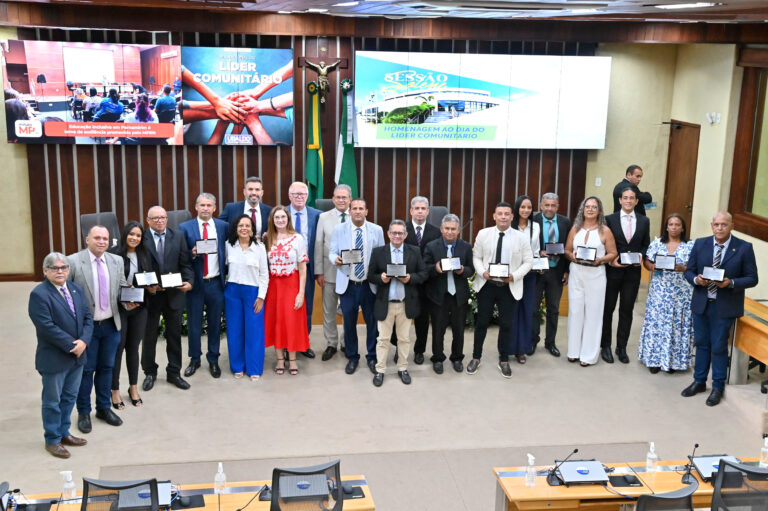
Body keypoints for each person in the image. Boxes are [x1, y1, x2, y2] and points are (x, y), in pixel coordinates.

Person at [682, 211, 758, 406]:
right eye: (716, 224)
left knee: (718, 346)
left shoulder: (743, 248)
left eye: (724, 224)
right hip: (702, 303)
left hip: (724, 307)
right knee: (701, 343)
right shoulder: (700, 244)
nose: (720, 228)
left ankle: (717, 386)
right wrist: (696, 280)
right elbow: (689, 271)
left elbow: (752, 278)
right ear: (711, 225)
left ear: (731, 226)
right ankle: (699, 381)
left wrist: (731, 282)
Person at [67, 226, 130, 433]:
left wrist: (130, 299)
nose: (102, 241)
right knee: (86, 371)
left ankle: (103, 408)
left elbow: (122, 287)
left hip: (111, 325)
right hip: (87, 329)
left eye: (105, 238)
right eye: (97, 238)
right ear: (87, 239)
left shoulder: (116, 261)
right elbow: (66, 294)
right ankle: (83, 412)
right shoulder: (74, 261)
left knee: (107, 368)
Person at [29, 252, 92, 459]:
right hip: (55, 358)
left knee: (69, 397)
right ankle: (52, 439)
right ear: (45, 271)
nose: (60, 271)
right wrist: (71, 345)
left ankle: (64, 433)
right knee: (52, 401)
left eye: (64, 267)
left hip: (77, 355)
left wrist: (83, 341)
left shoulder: (75, 289)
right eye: (55, 268)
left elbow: (87, 318)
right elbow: (46, 326)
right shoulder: (39, 294)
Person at [469, 202, 533, 378]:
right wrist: (482, 272)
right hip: (487, 285)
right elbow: (476, 257)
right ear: (494, 216)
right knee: (482, 323)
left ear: (512, 217)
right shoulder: (484, 234)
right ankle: (476, 357)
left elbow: (529, 261)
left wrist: (514, 276)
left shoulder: (521, 238)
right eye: (500, 214)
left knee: (506, 325)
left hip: (508, 286)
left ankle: (503, 359)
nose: (503, 217)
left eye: (507, 214)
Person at [368, 220, 428, 386]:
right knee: (383, 339)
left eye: (400, 233)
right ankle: (380, 370)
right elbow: (370, 275)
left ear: (406, 235)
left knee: (404, 339)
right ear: (388, 234)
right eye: (394, 233)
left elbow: (423, 274)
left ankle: (402, 368)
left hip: (405, 303)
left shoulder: (414, 251)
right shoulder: (379, 252)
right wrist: (380, 278)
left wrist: (410, 278)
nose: (397, 236)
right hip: (385, 303)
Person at [329, 198, 385, 375]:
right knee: (349, 323)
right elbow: (332, 252)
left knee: (372, 323)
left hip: (369, 285)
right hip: (348, 284)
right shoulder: (339, 229)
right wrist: (335, 260)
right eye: (355, 208)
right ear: (350, 211)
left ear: (367, 211)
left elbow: (382, 255)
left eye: (361, 208)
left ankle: (372, 356)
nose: (358, 211)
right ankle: (352, 357)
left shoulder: (377, 230)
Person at [141, 206, 194, 391]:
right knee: (149, 336)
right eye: (155, 218)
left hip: (174, 294)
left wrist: (189, 282)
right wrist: (145, 285)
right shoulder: (141, 238)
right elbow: (137, 267)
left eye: (163, 217)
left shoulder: (177, 236)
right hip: (151, 295)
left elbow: (185, 263)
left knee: (174, 336)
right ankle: (149, 372)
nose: (160, 221)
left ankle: (174, 373)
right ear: (147, 220)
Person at [178, 193, 229, 379]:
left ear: (215, 208)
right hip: (196, 285)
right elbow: (180, 256)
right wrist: (191, 254)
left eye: (209, 205)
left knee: (215, 324)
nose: (206, 208)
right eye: (202, 205)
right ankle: (195, 359)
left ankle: (213, 359)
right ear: (196, 207)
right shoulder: (185, 227)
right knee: (194, 325)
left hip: (215, 282)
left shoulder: (223, 226)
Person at [638, 214, 694, 374]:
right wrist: (652, 266)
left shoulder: (690, 246)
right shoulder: (657, 243)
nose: (674, 227)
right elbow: (647, 261)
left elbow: (695, 266)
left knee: (675, 325)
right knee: (657, 324)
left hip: (681, 294)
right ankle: (654, 360)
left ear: (682, 227)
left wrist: (683, 268)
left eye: (677, 224)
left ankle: (672, 362)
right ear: (666, 227)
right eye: (671, 224)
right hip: (660, 293)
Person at [565, 197, 617, 366]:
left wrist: (600, 260)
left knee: (593, 314)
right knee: (575, 311)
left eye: (594, 207)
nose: (590, 209)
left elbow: (613, 253)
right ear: (582, 209)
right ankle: (573, 351)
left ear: (599, 210)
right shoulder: (575, 228)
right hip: (577, 272)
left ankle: (588, 355)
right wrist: (571, 255)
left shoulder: (605, 231)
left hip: (596, 274)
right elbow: (567, 249)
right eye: (587, 206)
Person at [601, 187, 650, 364]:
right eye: (625, 198)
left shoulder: (644, 221)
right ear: (620, 200)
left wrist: (641, 256)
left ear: (637, 201)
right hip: (613, 271)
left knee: (626, 310)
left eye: (632, 198)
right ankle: (605, 346)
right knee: (608, 309)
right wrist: (610, 260)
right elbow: (604, 244)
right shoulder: (609, 219)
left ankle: (621, 347)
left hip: (633, 273)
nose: (628, 201)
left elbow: (646, 244)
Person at [422, 214, 475, 373]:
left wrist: (463, 270)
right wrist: (435, 269)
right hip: (439, 295)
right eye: (447, 229)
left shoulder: (465, 246)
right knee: (438, 329)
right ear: (441, 229)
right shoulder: (431, 246)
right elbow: (425, 268)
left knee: (459, 329)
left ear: (458, 230)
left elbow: (471, 269)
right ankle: (438, 358)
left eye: (453, 229)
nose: (450, 232)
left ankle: (457, 357)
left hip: (459, 295)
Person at [109, 221, 152, 409]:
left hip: (139, 308)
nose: (135, 238)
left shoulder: (144, 254)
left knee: (133, 348)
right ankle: (115, 390)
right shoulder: (114, 255)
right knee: (118, 349)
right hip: (119, 308)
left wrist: (151, 286)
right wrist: (123, 296)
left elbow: (149, 277)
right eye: (131, 234)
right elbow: (110, 283)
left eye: (138, 235)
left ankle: (133, 388)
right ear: (125, 234)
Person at [264, 205, 310, 375]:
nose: (280, 220)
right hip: (273, 285)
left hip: (292, 284)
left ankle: (292, 359)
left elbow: (303, 268)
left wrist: (301, 292)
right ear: (272, 220)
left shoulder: (297, 238)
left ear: (288, 219)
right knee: (277, 321)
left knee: (291, 322)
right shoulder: (267, 238)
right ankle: (279, 359)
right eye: (277, 217)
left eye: (283, 217)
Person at [224, 215, 268, 380]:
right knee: (235, 330)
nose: (244, 228)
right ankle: (237, 365)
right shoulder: (229, 245)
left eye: (247, 225)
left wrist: (261, 296)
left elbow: (264, 274)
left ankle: (254, 367)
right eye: (241, 225)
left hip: (253, 293)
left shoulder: (260, 248)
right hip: (232, 291)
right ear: (236, 228)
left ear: (252, 229)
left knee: (254, 331)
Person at [314, 184, 351, 361]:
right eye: (338, 197)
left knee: (347, 310)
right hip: (329, 272)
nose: (341, 200)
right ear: (333, 199)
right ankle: (331, 343)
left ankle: (346, 342)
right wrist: (318, 271)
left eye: (344, 197)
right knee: (329, 310)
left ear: (350, 199)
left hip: (351, 273)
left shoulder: (357, 215)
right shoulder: (323, 217)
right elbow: (318, 245)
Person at [531, 193, 570, 357]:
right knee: (534, 309)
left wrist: (567, 270)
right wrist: (537, 252)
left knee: (554, 309)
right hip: (537, 271)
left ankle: (550, 342)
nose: (549, 208)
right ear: (541, 206)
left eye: (553, 205)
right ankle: (533, 341)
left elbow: (569, 247)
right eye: (546, 205)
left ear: (558, 207)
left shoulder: (565, 222)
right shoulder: (533, 221)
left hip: (557, 271)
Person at [286, 181, 320, 358]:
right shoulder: (280, 213)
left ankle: (303, 343)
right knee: (286, 308)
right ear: (289, 195)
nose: (299, 197)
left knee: (306, 307)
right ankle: (286, 344)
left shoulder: (317, 215)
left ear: (307, 197)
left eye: (303, 194)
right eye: (296, 194)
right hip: (285, 270)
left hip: (306, 268)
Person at [405, 196, 441, 366]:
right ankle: (400, 349)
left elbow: (436, 258)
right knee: (400, 318)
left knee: (422, 321)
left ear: (428, 211)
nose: (420, 211)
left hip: (428, 284)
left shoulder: (436, 232)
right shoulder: (401, 229)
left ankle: (419, 350)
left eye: (423, 208)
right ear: (411, 210)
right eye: (416, 208)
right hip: (404, 282)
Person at [509, 195, 540, 364]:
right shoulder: (510, 227)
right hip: (512, 274)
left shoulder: (536, 227)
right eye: (523, 207)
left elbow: (536, 251)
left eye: (529, 207)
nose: (526, 210)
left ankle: (522, 349)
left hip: (530, 274)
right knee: (512, 311)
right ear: (517, 209)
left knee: (527, 311)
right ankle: (508, 347)